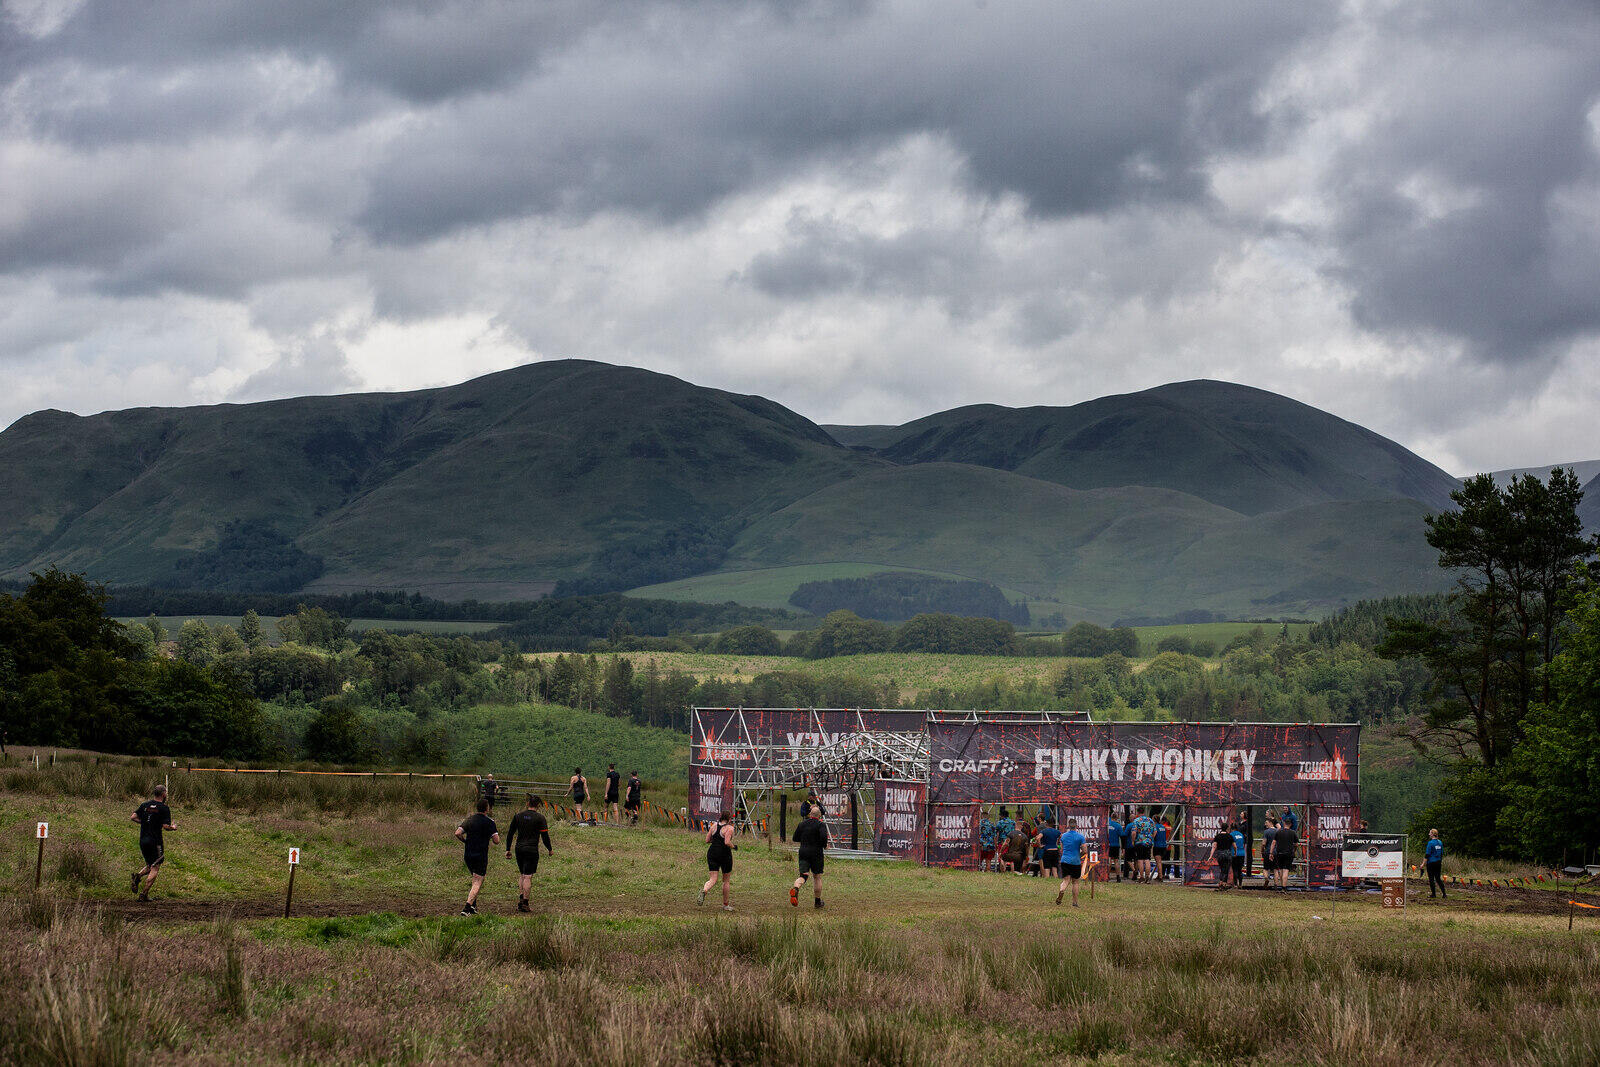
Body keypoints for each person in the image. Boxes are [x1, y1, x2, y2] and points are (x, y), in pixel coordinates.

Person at [504, 795, 553, 912]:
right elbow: (545, 836)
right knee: (528, 876)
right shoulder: (540, 818)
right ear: (538, 805)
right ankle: (525, 903)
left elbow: (510, 834)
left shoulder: (518, 816)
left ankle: (521, 899)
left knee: (522, 874)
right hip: (531, 849)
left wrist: (508, 849)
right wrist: (550, 849)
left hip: (519, 848)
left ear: (527, 804)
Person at [130, 784, 176, 902]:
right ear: (164, 794)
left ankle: (137, 877)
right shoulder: (164, 808)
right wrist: (173, 827)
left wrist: (145, 823)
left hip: (143, 840)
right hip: (155, 841)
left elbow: (133, 817)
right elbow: (166, 826)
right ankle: (144, 894)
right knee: (155, 867)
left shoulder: (144, 805)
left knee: (150, 865)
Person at [454, 798, 500, 915]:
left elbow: (458, 833)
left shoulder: (470, 820)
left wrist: (465, 841)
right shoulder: (490, 822)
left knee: (475, 879)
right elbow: (496, 841)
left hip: (468, 854)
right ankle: (466, 908)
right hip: (481, 855)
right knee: (478, 881)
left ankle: (473, 906)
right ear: (487, 808)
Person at [791, 807, 829, 909]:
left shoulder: (802, 824)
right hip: (816, 853)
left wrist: (804, 839)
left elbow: (795, 838)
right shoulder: (821, 825)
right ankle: (817, 902)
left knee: (803, 875)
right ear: (819, 816)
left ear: (810, 814)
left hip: (803, 852)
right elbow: (823, 838)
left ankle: (796, 888)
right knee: (817, 876)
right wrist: (824, 845)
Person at [701, 809, 737, 911]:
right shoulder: (729, 828)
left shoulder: (714, 826)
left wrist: (715, 840)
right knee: (726, 881)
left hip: (712, 853)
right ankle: (725, 905)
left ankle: (705, 889)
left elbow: (707, 840)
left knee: (713, 879)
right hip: (725, 855)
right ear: (729, 819)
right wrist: (734, 847)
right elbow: (727, 842)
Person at [1055, 818, 1087, 906]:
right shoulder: (1080, 837)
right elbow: (1085, 850)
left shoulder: (1063, 836)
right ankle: (1075, 902)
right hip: (1075, 861)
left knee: (1065, 881)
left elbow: (1061, 848)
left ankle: (1062, 891)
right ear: (1076, 826)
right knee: (1075, 882)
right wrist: (1078, 855)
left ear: (1068, 826)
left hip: (1065, 860)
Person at [1129, 807, 1157, 882]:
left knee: (1140, 859)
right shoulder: (1150, 820)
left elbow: (1134, 832)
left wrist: (1133, 840)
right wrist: (1151, 838)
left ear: (1138, 812)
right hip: (1148, 842)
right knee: (1147, 859)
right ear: (1144, 812)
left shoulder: (1136, 821)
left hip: (1139, 842)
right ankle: (1147, 876)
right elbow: (1155, 831)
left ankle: (1141, 876)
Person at [1273, 817, 1298, 889]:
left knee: (1280, 869)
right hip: (1289, 854)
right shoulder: (1293, 833)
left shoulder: (1278, 832)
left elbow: (1274, 842)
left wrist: (1271, 853)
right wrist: (1294, 850)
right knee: (1286, 870)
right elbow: (1296, 844)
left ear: (1284, 823)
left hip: (1279, 853)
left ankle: (1281, 885)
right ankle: (1284, 887)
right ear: (1290, 824)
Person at [1425, 828, 1446, 899]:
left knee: (1431, 879)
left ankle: (1433, 894)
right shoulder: (1440, 842)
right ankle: (1444, 894)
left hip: (1431, 863)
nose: (1429, 834)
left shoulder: (1430, 843)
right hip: (1438, 862)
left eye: (1430, 833)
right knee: (1438, 878)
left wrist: (1423, 863)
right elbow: (1442, 853)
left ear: (1432, 834)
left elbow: (1427, 854)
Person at [1212, 821, 1236, 887]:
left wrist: (1211, 856)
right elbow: (1234, 846)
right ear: (1227, 828)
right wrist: (1235, 853)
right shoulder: (1230, 836)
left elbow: (1214, 846)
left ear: (1221, 828)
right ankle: (1224, 883)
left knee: (1222, 869)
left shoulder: (1217, 836)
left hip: (1220, 854)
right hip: (1227, 853)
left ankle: (1220, 882)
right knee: (1226, 869)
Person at [978, 807, 999, 872]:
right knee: (988, 860)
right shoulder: (992, 824)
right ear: (988, 817)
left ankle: (979, 870)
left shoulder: (978, 824)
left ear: (981, 816)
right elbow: (995, 836)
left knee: (979, 860)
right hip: (990, 845)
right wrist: (996, 845)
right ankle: (988, 870)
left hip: (981, 845)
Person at [1261, 816, 1279, 888]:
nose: (1265, 824)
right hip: (1276, 852)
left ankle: (1266, 878)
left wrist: (1262, 850)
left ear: (1271, 823)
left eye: (1266, 823)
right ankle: (1276, 884)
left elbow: (1263, 843)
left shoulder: (1266, 832)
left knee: (1265, 868)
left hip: (1267, 852)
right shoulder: (1278, 831)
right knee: (1275, 869)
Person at [1107, 812, 1124, 883]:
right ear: (1117, 818)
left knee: (1109, 861)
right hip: (1116, 845)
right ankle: (1118, 877)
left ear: (1111, 817)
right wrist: (1123, 847)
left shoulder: (1107, 824)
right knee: (1116, 861)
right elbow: (1122, 836)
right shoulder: (1118, 826)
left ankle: (1107, 876)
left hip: (1108, 845)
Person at [1153, 817, 1170, 881]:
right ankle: (1159, 875)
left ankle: (1160, 876)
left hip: (1157, 846)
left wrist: (1151, 840)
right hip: (1163, 846)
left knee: (1158, 862)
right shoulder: (1163, 827)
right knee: (1159, 862)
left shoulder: (1155, 827)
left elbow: (1154, 835)